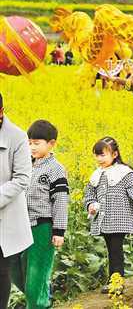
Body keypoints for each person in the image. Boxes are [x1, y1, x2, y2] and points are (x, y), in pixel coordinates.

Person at [11, 120, 69, 309]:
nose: (32, 147)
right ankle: (42, 295)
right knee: (14, 270)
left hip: (43, 228)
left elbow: (60, 201)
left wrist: (59, 231)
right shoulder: (25, 165)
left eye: (36, 143)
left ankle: (39, 303)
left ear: (51, 144)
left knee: (35, 277)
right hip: (21, 226)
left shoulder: (56, 169)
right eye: (29, 143)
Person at [83, 137, 133, 293]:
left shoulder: (124, 172)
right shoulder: (96, 174)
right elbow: (89, 194)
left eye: (103, 155)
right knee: (112, 250)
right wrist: (91, 205)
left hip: (119, 219)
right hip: (104, 220)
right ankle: (113, 280)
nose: (99, 159)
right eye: (97, 155)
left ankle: (117, 283)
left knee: (115, 249)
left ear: (114, 154)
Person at [0, 93, 33, 309]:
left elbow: (22, 178)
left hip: (4, 215)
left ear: (1, 112)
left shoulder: (17, 137)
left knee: (1, 270)